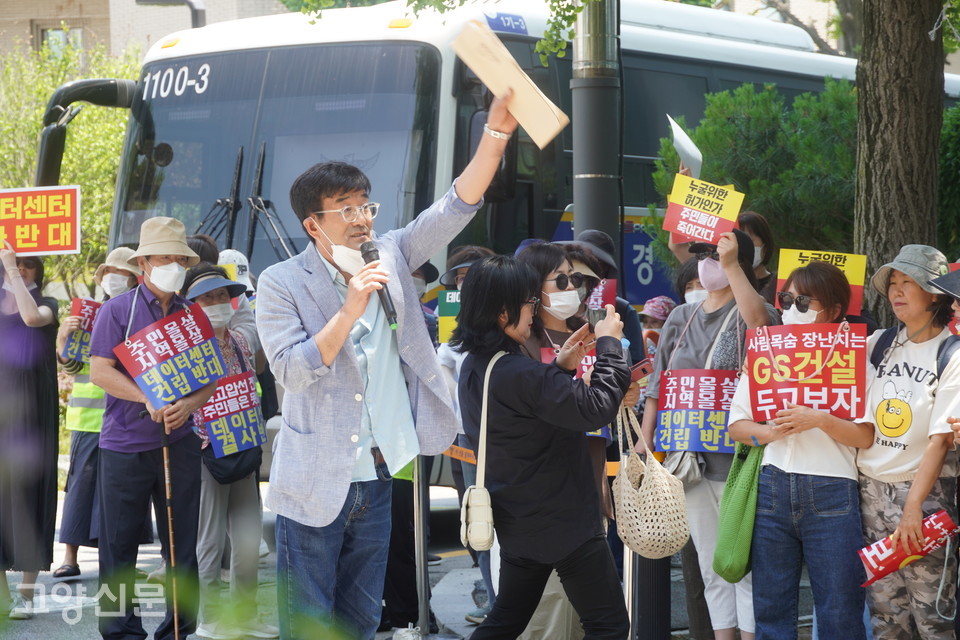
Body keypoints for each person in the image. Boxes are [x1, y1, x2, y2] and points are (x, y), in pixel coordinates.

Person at [255, 92, 517, 639]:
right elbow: (292, 371)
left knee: (359, 620)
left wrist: (494, 136)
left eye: (365, 206)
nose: (361, 220)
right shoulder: (281, 282)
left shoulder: (391, 253)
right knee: (307, 623)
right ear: (313, 224)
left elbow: (454, 208)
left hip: (378, 471)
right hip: (314, 478)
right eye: (345, 209)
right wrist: (351, 307)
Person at [453, 254, 630, 640]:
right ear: (503, 312)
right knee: (610, 626)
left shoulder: (479, 365)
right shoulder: (520, 372)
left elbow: (528, 416)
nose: (534, 311)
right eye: (528, 302)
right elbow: (596, 408)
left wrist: (562, 369)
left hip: (519, 518)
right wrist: (610, 346)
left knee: (504, 623)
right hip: (562, 520)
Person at [641, 228, 778, 640]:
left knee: (745, 562)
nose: (707, 263)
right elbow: (658, 385)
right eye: (703, 255)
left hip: (737, 460)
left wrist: (735, 265)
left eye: (717, 256)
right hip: (688, 459)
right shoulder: (681, 317)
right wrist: (646, 444)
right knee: (709, 564)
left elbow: (759, 324)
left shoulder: (755, 310)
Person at [727, 260, 874, 640]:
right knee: (771, 609)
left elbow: (865, 436)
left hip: (832, 489)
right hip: (772, 486)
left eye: (805, 301)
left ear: (836, 310)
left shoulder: (856, 356)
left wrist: (819, 419)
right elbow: (737, 427)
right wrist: (771, 432)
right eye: (787, 298)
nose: (793, 308)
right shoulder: (766, 352)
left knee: (840, 610)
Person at [89, 217, 217, 640]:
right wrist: (146, 397)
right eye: (165, 258)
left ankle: (179, 628)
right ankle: (118, 631)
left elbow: (209, 379)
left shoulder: (191, 314)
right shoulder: (117, 310)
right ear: (144, 263)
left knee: (180, 545)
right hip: (124, 446)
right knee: (117, 547)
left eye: (179, 259)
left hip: (178, 444)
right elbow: (99, 372)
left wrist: (188, 406)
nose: (173, 265)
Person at [857, 245, 959, 639]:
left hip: (925, 499)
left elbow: (939, 441)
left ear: (935, 293)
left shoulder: (952, 353)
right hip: (869, 495)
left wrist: (913, 507)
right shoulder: (879, 343)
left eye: (908, 283)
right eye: (892, 283)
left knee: (933, 617)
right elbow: (823, 372)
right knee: (886, 620)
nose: (897, 291)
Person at [181, 264, 278, 640]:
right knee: (209, 540)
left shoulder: (239, 341)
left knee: (248, 535)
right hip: (207, 451)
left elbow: (252, 380)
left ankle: (245, 614)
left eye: (224, 296)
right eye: (209, 298)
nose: (219, 303)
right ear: (192, 306)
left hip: (243, 447)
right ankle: (211, 618)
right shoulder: (187, 349)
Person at [55, 248, 142, 580]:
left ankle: (118, 559)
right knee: (80, 487)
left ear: (135, 278)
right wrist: (64, 337)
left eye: (119, 272)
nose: (113, 278)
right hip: (89, 419)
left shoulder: (139, 314)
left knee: (124, 491)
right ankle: (69, 556)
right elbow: (73, 364)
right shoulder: (87, 315)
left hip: (127, 416)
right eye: (108, 271)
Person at [0, 247, 58, 621]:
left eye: (28, 262)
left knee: (33, 488)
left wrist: (12, 275)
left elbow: (32, 318)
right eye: (14, 261)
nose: (20, 267)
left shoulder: (48, 301)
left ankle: (27, 591)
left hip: (34, 409)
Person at [737, 211, 777, 304]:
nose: (741, 247)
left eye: (747, 241)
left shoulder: (778, 285)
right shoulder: (724, 284)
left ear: (765, 245)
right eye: (737, 241)